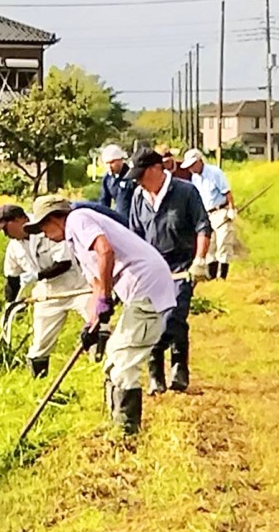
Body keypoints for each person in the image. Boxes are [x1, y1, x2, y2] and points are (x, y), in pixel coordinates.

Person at [25, 195, 176, 434]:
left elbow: (105, 251)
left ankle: (126, 432)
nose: (43, 234)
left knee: (124, 362)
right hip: (138, 291)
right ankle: (115, 422)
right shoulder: (75, 243)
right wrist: (92, 323)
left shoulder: (77, 218)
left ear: (54, 218)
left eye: (42, 227)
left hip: (145, 286)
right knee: (113, 358)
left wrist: (105, 298)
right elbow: (96, 283)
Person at [126, 147, 211, 394]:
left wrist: (200, 260)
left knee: (173, 316)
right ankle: (157, 373)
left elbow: (202, 226)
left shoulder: (185, 192)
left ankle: (178, 365)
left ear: (156, 169)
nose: (139, 182)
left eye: (142, 175)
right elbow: (135, 236)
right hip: (151, 270)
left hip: (181, 267)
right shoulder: (138, 197)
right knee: (152, 320)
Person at [0, 204, 89, 378]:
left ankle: (108, 370)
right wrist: (10, 305)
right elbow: (12, 279)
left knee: (97, 326)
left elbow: (64, 263)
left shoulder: (45, 227)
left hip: (78, 287)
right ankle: (38, 383)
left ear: (19, 220)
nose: (5, 234)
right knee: (40, 344)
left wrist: (37, 275)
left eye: (6, 228)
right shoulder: (14, 246)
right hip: (47, 293)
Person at [181, 149, 237, 280]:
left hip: (220, 212)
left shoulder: (215, 173)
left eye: (192, 165)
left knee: (223, 243)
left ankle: (222, 277)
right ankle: (212, 277)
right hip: (206, 214)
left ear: (199, 161)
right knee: (210, 245)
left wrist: (231, 209)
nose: (191, 169)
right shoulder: (194, 178)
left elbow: (227, 192)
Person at [98, 144, 136, 223]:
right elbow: (104, 203)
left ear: (120, 160)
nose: (109, 166)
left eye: (112, 162)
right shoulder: (107, 179)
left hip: (134, 221)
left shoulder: (132, 176)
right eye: (106, 163)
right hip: (118, 222)